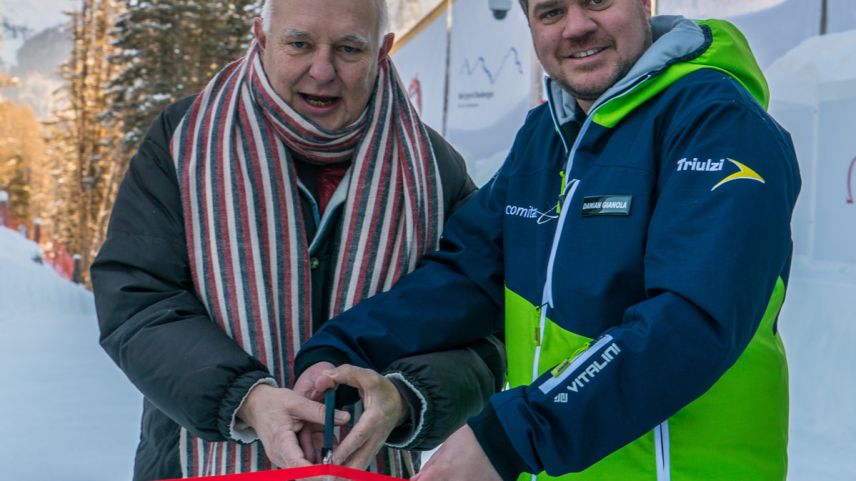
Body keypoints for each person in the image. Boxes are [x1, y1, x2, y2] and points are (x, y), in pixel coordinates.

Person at [295, 1, 801, 480]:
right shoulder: (547, 133)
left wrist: (509, 437)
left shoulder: (718, 121)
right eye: (551, 11)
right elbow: (467, 274)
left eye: (597, 2)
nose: (575, 27)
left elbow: (690, 321)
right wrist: (341, 349)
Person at [90, 0, 505, 479]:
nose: (322, 71)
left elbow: (484, 329)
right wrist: (246, 399)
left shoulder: (433, 167)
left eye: (349, 49)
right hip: (193, 463)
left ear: (382, 52)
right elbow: (137, 297)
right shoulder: (184, 141)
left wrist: (406, 396)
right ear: (262, 38)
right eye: (299, 44)